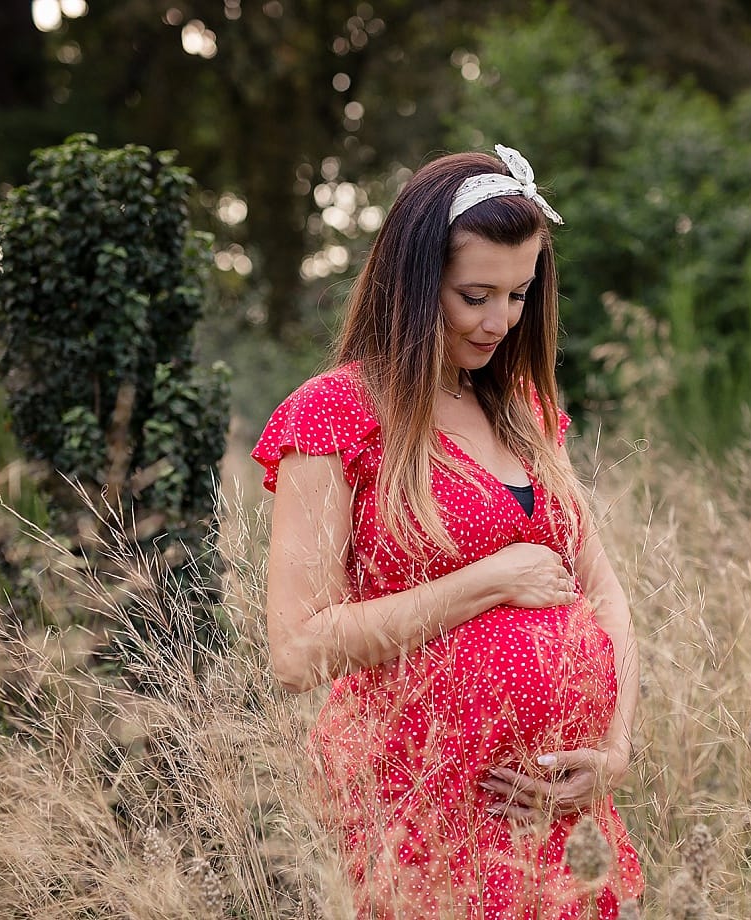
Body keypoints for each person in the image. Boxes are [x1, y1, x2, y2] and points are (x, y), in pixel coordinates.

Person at [253, 146, 643, 918]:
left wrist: (616, 751)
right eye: (475, 295)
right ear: (416, 282)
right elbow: (297, 651)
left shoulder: (525, 410)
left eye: (520, 295)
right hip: (424, 811)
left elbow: (603, 593)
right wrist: (488, 581)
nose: (501, 321)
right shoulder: (333, 414)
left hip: (564, 819)